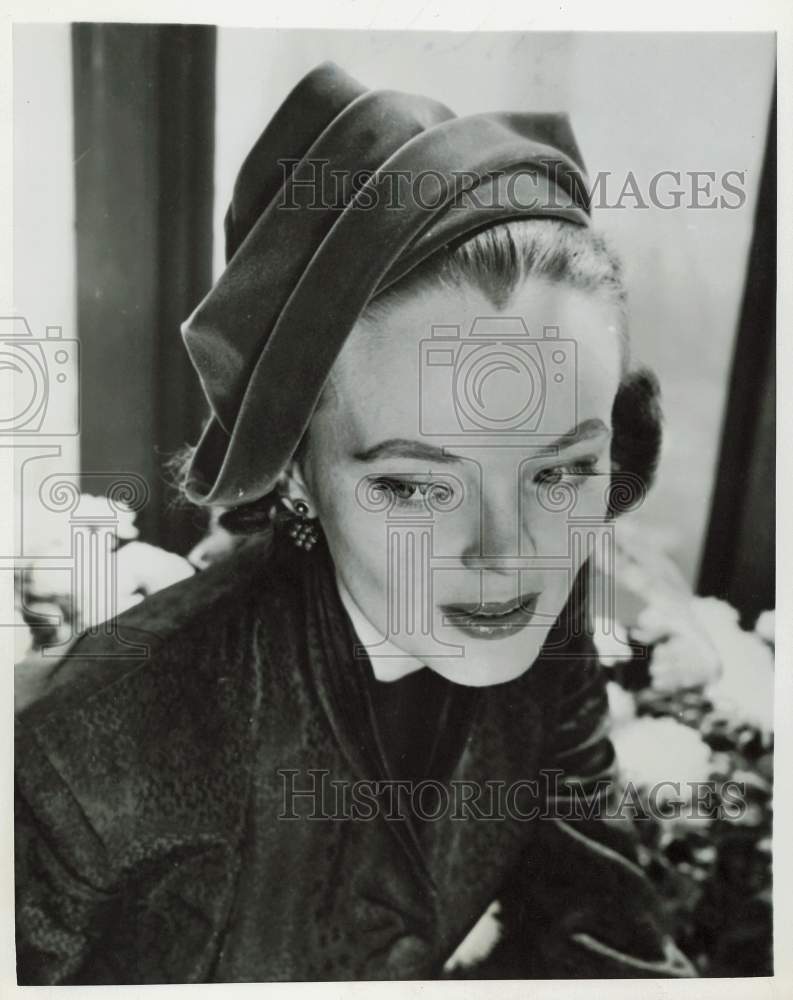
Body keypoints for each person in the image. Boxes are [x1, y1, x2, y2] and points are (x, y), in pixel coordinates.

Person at [14, 61, 696, 982]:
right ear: (293, 468)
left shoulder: (552, 639)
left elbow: (599, 951)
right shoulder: (84, 754)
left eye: (561, 470)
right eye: (417, 488)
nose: (508, 561)